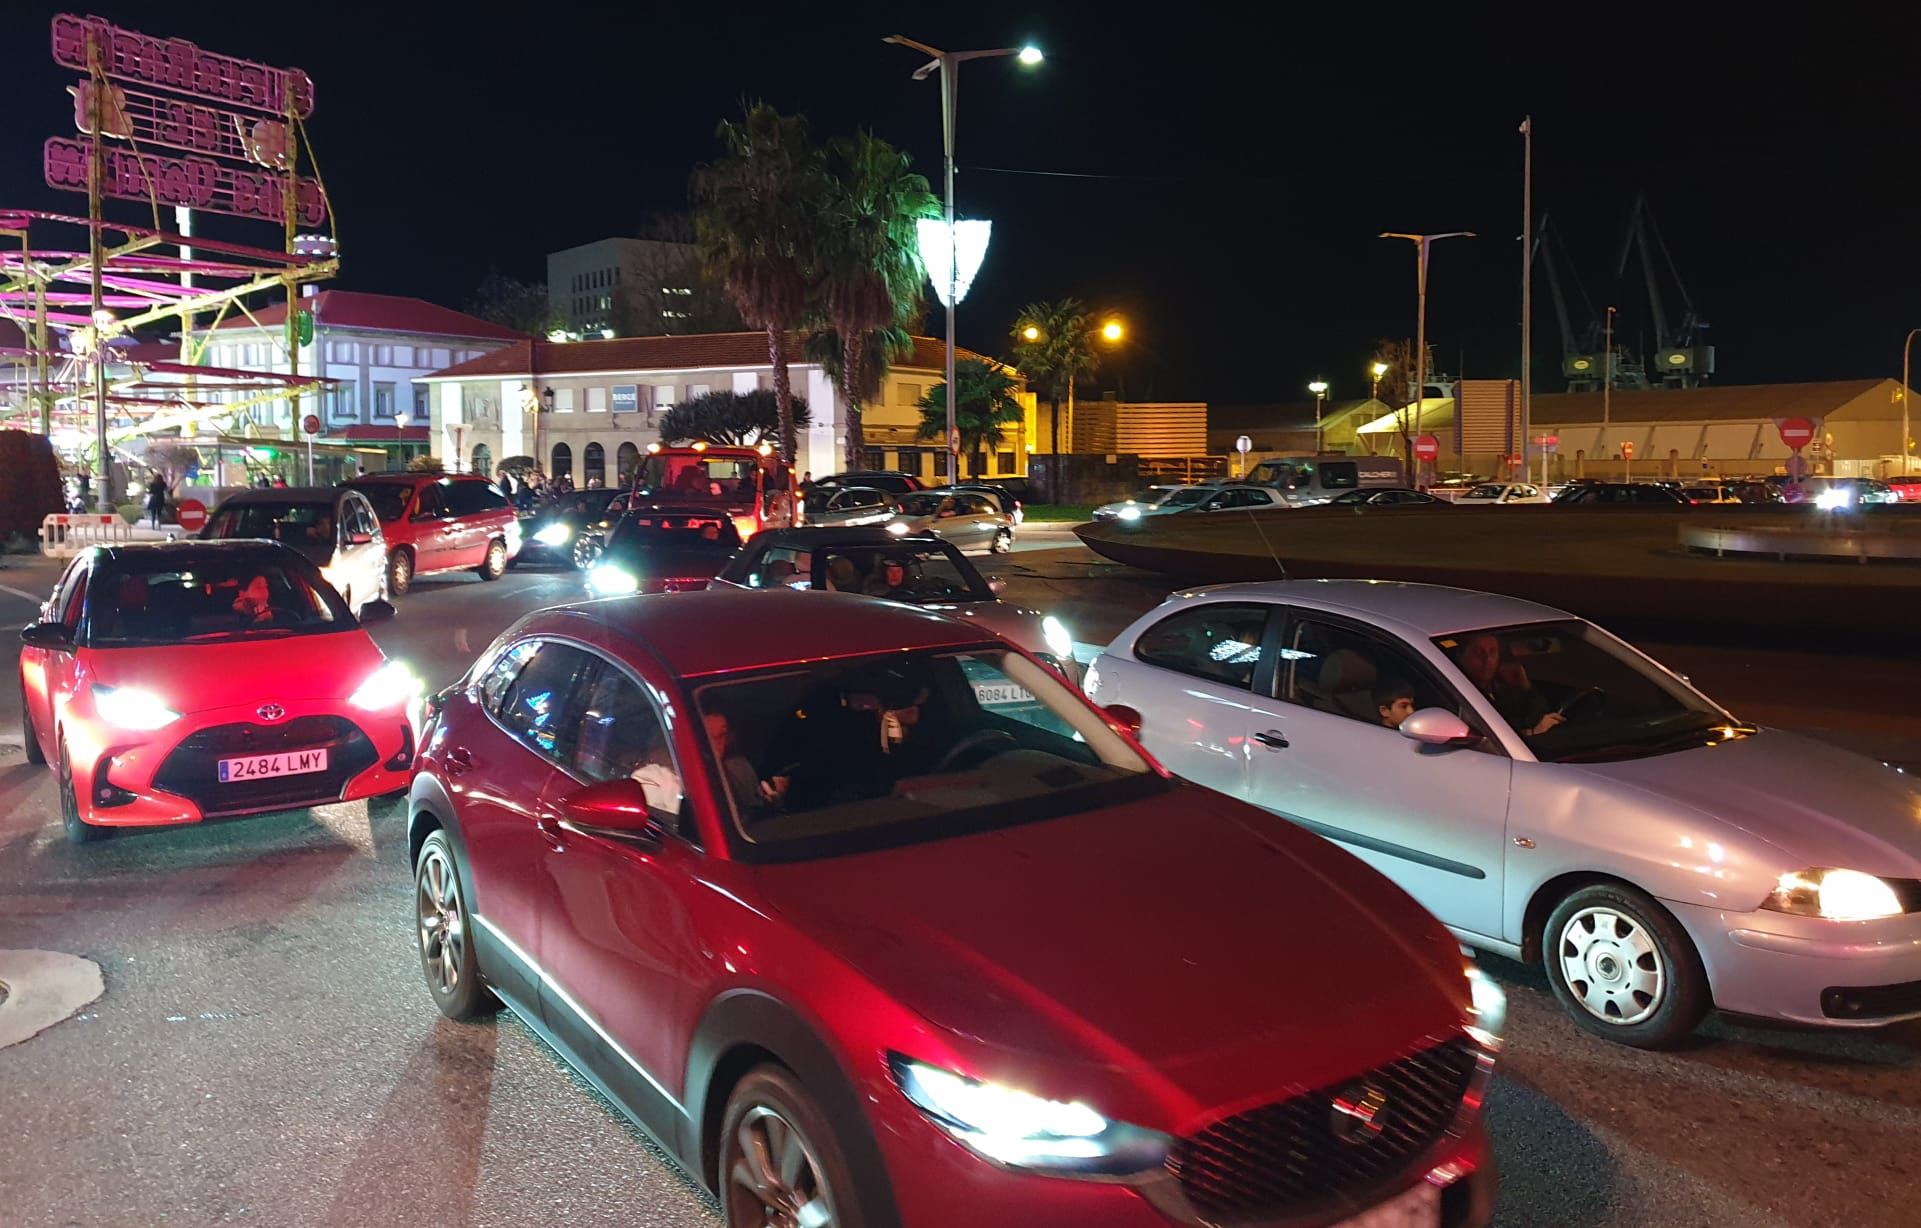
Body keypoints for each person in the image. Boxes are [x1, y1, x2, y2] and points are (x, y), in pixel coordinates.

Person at [1458, 633, 1562, 736]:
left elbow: (1538, 715)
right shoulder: (1456, 693)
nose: (1487, 659)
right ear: (1462, 657)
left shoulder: (1502, 689)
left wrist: (1525, 686)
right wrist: (1532, 732)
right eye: (1478, 652)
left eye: (1492, 651)